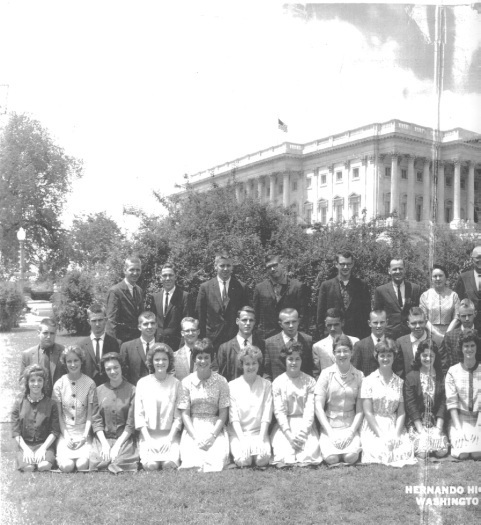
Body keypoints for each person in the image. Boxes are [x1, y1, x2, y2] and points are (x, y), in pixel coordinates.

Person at [360, 339, 415, 466]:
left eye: (389, 355)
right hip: (373, 425)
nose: (385, 359)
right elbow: (368, 412)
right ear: (377, 357)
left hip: (393, 423)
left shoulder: (400, 382)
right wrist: (381, 435)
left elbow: (401, 412)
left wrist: (396, 434)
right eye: (382, 355)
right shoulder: (368, 381)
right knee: (380, 451)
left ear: (394, 357)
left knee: (402, 450)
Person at [178, 339, 230, 472]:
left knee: (216, 459)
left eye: (206, 357)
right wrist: (195, 437)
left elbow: (223, 412)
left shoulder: (221, 381)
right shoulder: (186, 382)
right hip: (193, 427)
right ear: (194, 359)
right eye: (199, 357)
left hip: (214, 425)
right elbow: (185, 413)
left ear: (212, 358)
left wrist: (212, 436)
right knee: (192, 461)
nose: (203, 361)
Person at [270, 342, 321, 468]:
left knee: (309, 452)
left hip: (305, 424)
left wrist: (303, 433)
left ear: (302, 360)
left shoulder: (310, 381)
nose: (294, 362)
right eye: (290, 359)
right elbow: (279, 411)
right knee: (284, 453)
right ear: (285, 360)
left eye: (297, 359)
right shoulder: (278, 382)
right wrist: (289, 435)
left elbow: (310, 410)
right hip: (285, 425)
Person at [314, 335, 364, 465]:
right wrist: (330, 433)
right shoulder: (325, 374)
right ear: (334, 353)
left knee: (350, 457)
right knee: (332, 459)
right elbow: (318, 407)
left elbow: (360, 410)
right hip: (330, 425)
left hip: (350, 425)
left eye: (346, 351)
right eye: (338, 351)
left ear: (351, 352)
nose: (342, 355)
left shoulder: (359, 376)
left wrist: (351, 432)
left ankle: (352, 443)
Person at [135, 343, 182, 470]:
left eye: (164, 359)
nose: (160, 363)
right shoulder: (142, 383)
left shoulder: (176, 384)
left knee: (168, 465)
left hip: (170, 436)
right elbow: (139, 415)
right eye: (157, 359)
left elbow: (178, 418)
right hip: (148, 436)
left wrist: (169, 439)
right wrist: (148, 439)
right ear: (151, 362)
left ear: (169, 361)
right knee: (151, 465)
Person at [90, 353, 139, 473]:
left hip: (124, 437)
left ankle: (119, 456)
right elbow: (96, 420)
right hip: (103, 437)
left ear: (122, 367)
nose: (113, 371)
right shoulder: (98, 390)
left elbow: (131, 423)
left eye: (116, 367)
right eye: (108, 369)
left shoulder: (132, 390)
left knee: (120, 461)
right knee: (98, 460)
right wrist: (105, 444)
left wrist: (117, 445)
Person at [53, 346, 96, 472]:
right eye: (69, 361)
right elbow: (59, 415)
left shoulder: (90, 383)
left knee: (82, 464)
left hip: (83, 432)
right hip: (66, 432)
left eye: (76, 360)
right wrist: (66, 436)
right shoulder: (59, 384)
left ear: (81, 361)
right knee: (67, 466)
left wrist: (84, 436)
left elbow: (90, 415)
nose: (73, 364)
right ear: (65, 363)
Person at [228, 345, 273, 468]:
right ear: (241, 365)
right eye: (247, 364)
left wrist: (261, 439)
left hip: (259, 433)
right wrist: (242, 441)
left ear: (259, 364)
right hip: (239, 434)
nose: (251, 367)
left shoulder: (266, 385)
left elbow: (266, 416)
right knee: (244, 461)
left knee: (262, 460)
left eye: (254, 363)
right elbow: (234, 418)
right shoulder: (232, 386)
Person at [195, 251, 250, 351]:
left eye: (228, 265)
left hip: (234, 339)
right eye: (222, 265)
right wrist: (202, 339)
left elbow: (246, 314)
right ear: (215, 266)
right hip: (211, 340)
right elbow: (200, 315)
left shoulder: (241, 287)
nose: (225, 269)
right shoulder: (205, 287)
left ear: (232, 267)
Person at [404, 340, 448, 459]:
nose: (427, 358)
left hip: (435, 423)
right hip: (417, 423)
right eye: (424, 355)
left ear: (435, 357)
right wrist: (421, 431)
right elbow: (411, 405)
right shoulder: (411, 377)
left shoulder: (441, 376)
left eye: (431, 355)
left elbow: (444, 403)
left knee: (441, 451)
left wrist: (438, 430)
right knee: (423, 453)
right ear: (419, 356)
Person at [11, 364, 60, 472]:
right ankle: (26, 459)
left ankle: (45, 458)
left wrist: (43, 449)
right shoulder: (19, 403)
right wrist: (26, 450)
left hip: (45, 444)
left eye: (39, 380)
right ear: (27, 383)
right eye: (32, 380)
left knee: (44, 466)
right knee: (28, 468)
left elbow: (55, 431)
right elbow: (16, 432)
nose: (36, 384)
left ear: (44, 382)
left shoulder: (51, 404)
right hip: (25, 445)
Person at [253, 254, 310, 340]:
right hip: (267, 339)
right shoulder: (260, 288)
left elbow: (303, 315)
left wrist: (298, 336)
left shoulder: (297, 287)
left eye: (275, 265)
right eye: (269, 267)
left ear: (282, 264)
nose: (272, 269)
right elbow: (256, 316)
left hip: (291, 337)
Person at [316, 250, 371, 340]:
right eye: (342, 264)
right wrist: (323, 336)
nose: (345, 267)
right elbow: (320, 315)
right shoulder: (326, 285)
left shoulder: (362, 285)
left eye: (348, 264)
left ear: (352, 264)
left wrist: (364, 337)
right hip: (333, 335)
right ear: (336, 264)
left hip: (356, 336)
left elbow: (366, 313)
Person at [445, 330, 481, 460]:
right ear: (461, 348)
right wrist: (459, 429)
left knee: (477, 454)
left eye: (472, 345)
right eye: (466, 346)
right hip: (460, 418)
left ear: (477, 347)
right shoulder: (453, 371)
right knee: (463, 454)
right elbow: (452, 402)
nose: (469, 349)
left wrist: (478, 427)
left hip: (479, 419)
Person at [373, 258, 423, 339]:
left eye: (400, 269)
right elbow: (377, 315)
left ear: (405, 270)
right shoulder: (381, 291)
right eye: (394, 269)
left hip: (410, 335)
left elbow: (418, 313)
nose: (398, 271)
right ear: (389, 271)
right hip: (389, 337)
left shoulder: (415, 289)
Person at [264, 308, 313, 382]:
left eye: (294, 322)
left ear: (298, 321)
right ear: (280, 324)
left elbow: (311, 368)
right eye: (287, 323)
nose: (291, 325)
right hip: (278, 389)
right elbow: (266, 372)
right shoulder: (270, 343)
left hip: (302, 388)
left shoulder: (308, 340)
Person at [19, 318, 65, 398]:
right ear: (38, 333)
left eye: (52, 333)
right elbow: (22, 381)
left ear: (55, 334)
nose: (48, 336)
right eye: (45, 333)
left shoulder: (64, 352)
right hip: (36, 401)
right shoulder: (27, 355)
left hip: (59, 400)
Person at [218, 306, 265, 382]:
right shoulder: (225, 348)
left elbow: (264, 371)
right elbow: (222, 378)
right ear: (237, 321)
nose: (248, 323)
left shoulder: (262, 345)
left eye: (251, 320)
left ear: (254, 322)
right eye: (244, 320)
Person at [351, 310, 404, 378]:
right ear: (369, 323)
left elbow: (398, 369)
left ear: (386, 322)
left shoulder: (394, 344)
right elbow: (355, 370)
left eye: (382, 322)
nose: (379, 326)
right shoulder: (360, 345)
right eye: (375, 323)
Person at [150, 263, 190, 350]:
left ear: (175, 277)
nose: (167, 278)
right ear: (161, 278)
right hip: (157, 344)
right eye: (164, 275)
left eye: (170, 275)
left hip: (177, 346)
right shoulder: (155, 297)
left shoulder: (184, 296)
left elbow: (187, 324)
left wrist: (182, 347)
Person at [79, 304, 120, 386]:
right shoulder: (80, 346)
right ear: (88, 321)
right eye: (94, 321)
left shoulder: (116, 343)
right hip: (87, 388)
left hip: (110, 388)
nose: (97, 324)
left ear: (106, 320)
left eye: (100, 320)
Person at [312, 308, 359, 380]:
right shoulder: (318, 347)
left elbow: (358, 367)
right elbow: (316, 373)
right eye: (329, 325)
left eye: (336, 325)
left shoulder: (355, 342)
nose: (332, 328)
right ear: (325, 324)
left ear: (342, 323)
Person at [106, 256, 144, 344]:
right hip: (122, 343)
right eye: (132, 270)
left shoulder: (139, 291)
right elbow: (111, 323)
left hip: (137, 343)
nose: (135, 273)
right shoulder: (115, 291)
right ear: (124, 270)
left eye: (138, 270)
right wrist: (113, 346)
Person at [420, 264, 460, 346]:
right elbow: (424, 318)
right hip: (430, 333)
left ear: (446, 278)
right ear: (431, 279)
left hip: (450, 333)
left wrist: (447, 334)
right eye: (435, 276)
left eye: (440, 276)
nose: (438, 279)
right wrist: (437, 334)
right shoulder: (425, 296)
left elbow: (457, 317)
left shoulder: (453, 295)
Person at [439, 299, 481, 375]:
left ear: (475, 313)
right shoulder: (450, 336)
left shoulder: (479, 334)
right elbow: (444, 363)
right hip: (456, 379)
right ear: (458, 316)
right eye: (464, 316)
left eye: (469, 315)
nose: (467, 319)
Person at [120, 311, 157, 386]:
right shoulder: (127, 347)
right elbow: (123, 374)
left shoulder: (163, 346)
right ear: (139, 327)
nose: (149, 326)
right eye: (145, 324)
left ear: (156, 325)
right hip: (135, 391)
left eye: (152, 323)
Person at [396, 307, 428, 378]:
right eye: (413, 323)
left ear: (425, 322)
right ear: (408, 324)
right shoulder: (401, 343)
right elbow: (399, 371)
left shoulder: (435, 341)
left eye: (420, 322)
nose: (418, 326)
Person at [455, 245, 481, 333]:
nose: (480, 260)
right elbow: (458, 302)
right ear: (472, 259)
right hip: (470, 327)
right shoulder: (463, 277)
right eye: (478, 257)